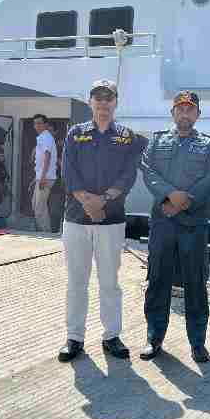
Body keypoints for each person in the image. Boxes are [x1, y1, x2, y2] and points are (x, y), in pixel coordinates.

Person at [57, 79, 147, 363]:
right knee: (76, 282)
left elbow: (128, 175)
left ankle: (111, 336)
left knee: (110, 281)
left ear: (116, 103)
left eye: (109, 98)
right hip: (76, 219)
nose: (104, 103)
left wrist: (103, 202)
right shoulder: (75, 134)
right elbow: (69, 173)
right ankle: (74, 337)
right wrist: (88, 202)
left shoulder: (127, 137)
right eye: (98, 98)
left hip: (111, 221)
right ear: (90, 103)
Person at [140, 91, 210, 363]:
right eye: (180, 109)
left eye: (190, 109)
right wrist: (170, 196)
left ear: (197, 114)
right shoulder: (157, 141)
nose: (185, 114)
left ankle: (198, 343)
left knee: (196, 283)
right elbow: (148, 171)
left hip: (193, 224)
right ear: (173, 113)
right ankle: (154, 339)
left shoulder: (208, 145)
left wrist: (184, 201)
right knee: (158, 281)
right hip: (163, 221)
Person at [32, 113, 57, 232]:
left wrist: (42, 177)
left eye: (39, 123)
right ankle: (43, 231)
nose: (37, 126)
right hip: (43, 176)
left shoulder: (45, 137)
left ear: (45, 125)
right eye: (35, 123)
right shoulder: (43, 137)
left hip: (45, 177)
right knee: (36, 204)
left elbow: (47, 157)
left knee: (39, 208)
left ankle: (45, 233)